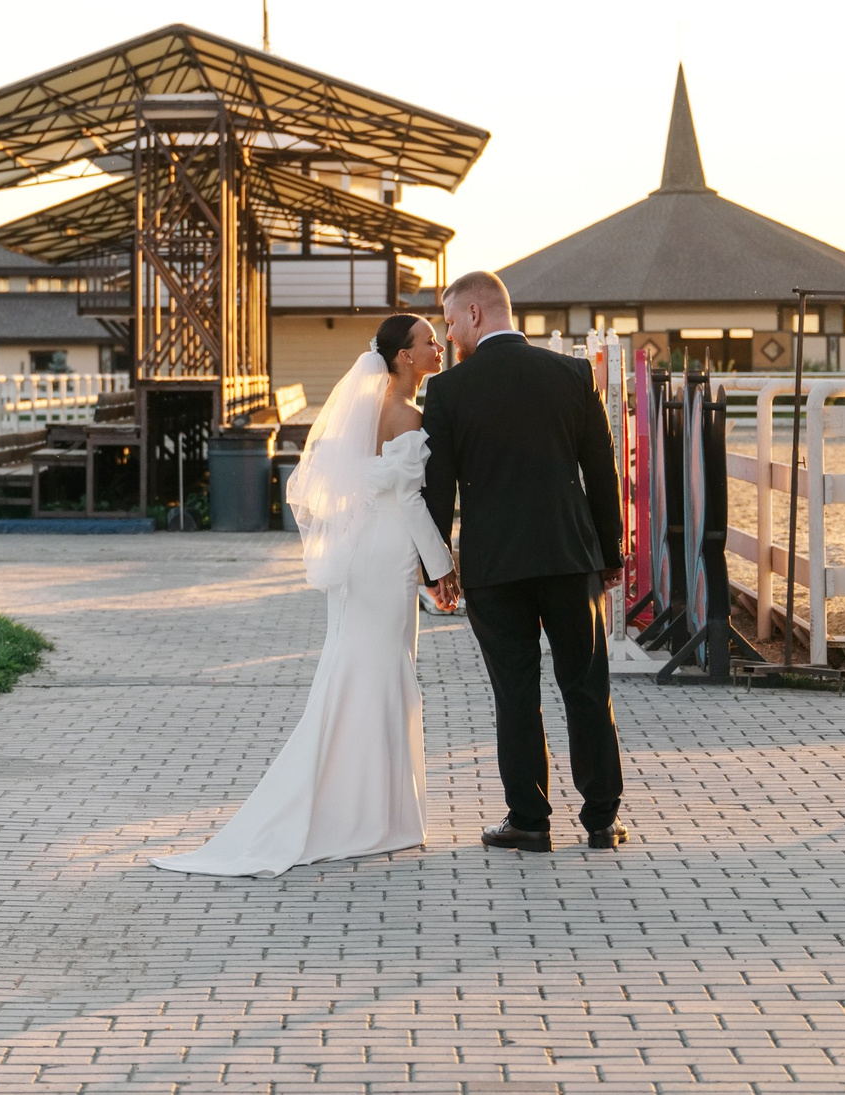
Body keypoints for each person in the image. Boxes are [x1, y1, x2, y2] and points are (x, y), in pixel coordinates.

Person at [152, 314, 453, 877]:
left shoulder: (364, 411)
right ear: (405, 357)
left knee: (356, 665)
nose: (439, 346)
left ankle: (360, 803)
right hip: (389, 553)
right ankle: (377, 814)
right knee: (385, 668)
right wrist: (442, 567)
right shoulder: (408, 416)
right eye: (428, 341)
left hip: (360, 551)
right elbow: (411, 501)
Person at [422, 269, 629, 852]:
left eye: (451, 320)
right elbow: (602, 471)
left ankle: (530, 821)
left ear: (475, 314)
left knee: (516, 694)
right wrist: (609, 552)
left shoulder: (449, 391)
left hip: (495, 567)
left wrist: (438, 570)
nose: (449, 333)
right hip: (570, 558)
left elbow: (437, 491)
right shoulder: (572, 374)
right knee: (587, 687)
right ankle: (602, 821)